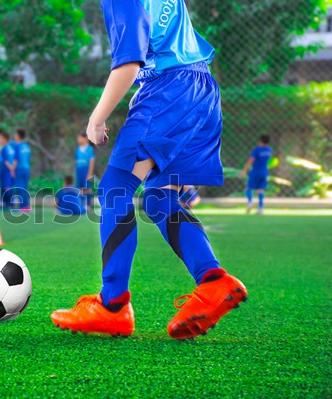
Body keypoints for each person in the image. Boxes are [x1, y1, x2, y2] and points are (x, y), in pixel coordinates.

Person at [51, 0, 247, 340]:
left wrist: (96, 119)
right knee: (159, 200)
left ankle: (112, 305)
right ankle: (214, 282)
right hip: (201, 88)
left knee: (114, 190)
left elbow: (128, 61)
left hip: (168, 91)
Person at [239, 135, 273, 215]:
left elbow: (251, 160)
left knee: (248, 188)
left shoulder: (257, 150)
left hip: (255, 171)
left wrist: (244, 171)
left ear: (260, 141)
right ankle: (261, 208)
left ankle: (250, 203)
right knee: (260, 190)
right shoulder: (269, 150)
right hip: (264, 172)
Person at [74, 131, 96, 212]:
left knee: (87, 188)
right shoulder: (77, 149)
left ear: (85, 138)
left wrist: (90, 173)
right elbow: (76, 161)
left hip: (86, 169)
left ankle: (88, 205)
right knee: (80, 188)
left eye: (80, 138)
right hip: (79, 170)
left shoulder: (89, 149)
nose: (78, 140)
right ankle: (82, 205)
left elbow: (92, 161)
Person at [12, 128, 31, 212]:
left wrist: (12, 169)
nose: (14, 136)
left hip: (19, 168)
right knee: (25, 187)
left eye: (15, 134)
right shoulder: (26, 146)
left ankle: (23, 207)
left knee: (20, 188)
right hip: (27, 168)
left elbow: (16, 160)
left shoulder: (17, 146)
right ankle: (26, 206)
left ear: (19, 136)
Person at [0, 130, 16, 209]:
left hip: (5, 170)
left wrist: (11, 169)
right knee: (9, 186)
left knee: (5, 187)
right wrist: (13, 169)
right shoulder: (11, 147)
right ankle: (10, 203)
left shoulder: (4, 148)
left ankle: (7, 203)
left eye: (0, 138)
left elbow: (5, 160)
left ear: (4, 139)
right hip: (10, 170)